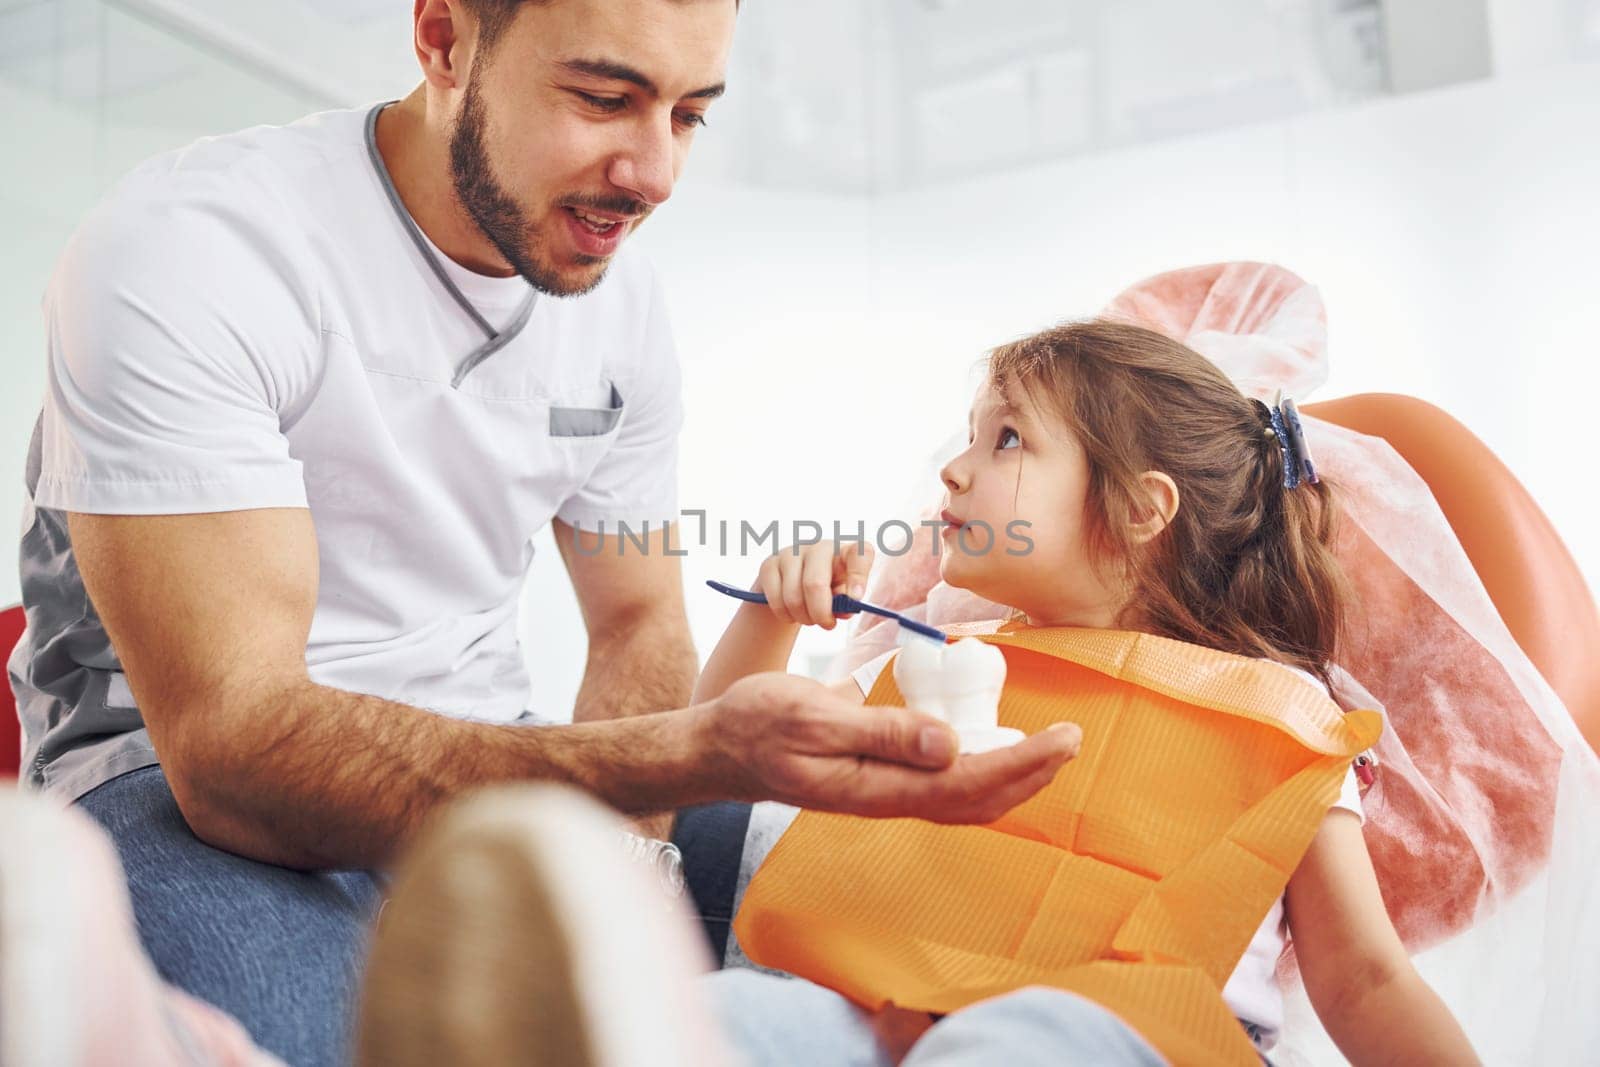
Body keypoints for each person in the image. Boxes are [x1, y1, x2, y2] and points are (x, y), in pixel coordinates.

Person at [6, 2, 1076, 1064]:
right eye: (605, 99)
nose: (654, 174)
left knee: (908, 937)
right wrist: (677, 757)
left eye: (689, 115)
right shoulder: (197, 251)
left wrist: (633, 863)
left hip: (494, 740)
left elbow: (636, 618)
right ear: (444, 42)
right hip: (189, 789)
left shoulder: (614, 305)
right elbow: (235, 750)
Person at [686, 320, 1481, 1064]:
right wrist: (769, 614)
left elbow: (1366, 979)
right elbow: (714, 769)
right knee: (720, 1015)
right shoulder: (939, 661)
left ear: (1141, 509)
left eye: (1006, 440)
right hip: (881, 1017)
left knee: (1029, 1033)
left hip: (1130, 1034)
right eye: (970, 437)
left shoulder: (1281, 715)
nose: (955, 468)